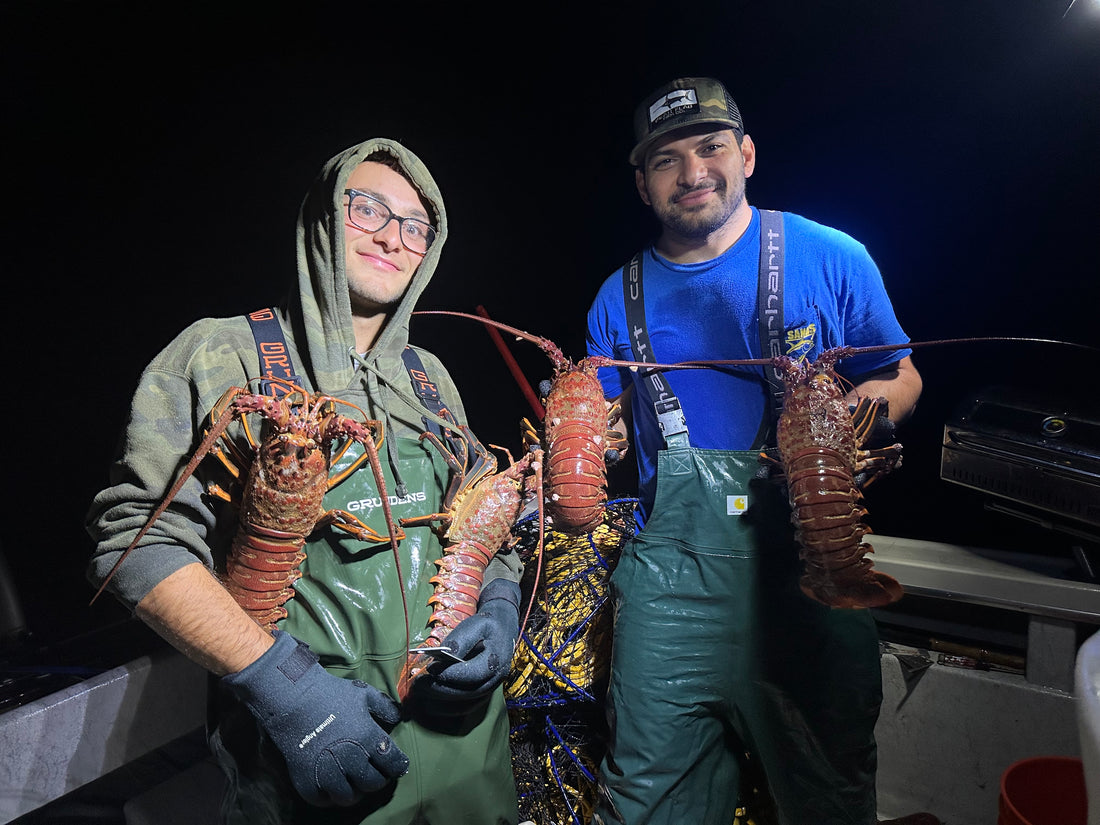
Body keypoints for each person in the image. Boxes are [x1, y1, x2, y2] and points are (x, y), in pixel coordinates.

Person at [86, 138, 524, 825]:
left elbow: (483, 514)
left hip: (470, 756)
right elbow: (136, 543)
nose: (392, 236)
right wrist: (286, 692)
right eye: (368, 208)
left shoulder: (430, 376)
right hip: (313, 755)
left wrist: (499, 606)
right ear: (322, 219)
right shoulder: (219, 352)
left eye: (416, 225)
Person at [586, 77, 936, 825]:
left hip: (811, 572)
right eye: (665, 160)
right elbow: (608, 419)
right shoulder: (617, 297)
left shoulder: (834, 255)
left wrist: (851, 418)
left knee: (828, 789)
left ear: (745, 153)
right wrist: (602, 436)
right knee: (647, 795)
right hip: (670, 582)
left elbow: (900, 371)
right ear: (642, 184)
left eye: (710, 147)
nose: (693, 173)